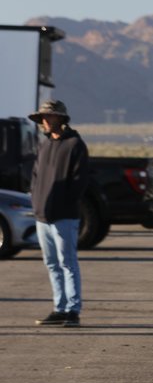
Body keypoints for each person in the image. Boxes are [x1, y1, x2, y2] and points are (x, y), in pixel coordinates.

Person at [29, 100, 89, 328]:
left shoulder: (75, 145)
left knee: (68, 262)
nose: (44, 121)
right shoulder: (44, 146)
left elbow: (79, 182)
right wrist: (36, 202)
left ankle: (73, 310)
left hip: (64, 217)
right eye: (42, 117)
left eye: (48, 117)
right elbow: (35, 177)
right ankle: (59, 308)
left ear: (60, 119)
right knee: (52, 263)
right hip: (42, 217)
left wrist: (63, 205)